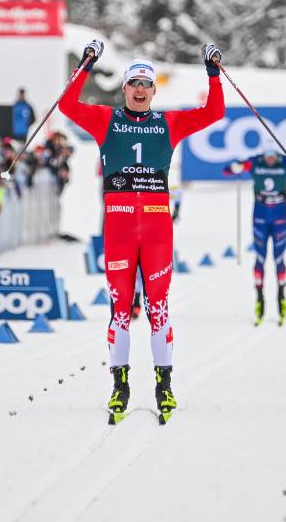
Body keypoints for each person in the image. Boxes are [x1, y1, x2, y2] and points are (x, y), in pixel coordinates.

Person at [58, 39, 225, 423]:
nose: (138, 89)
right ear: (125, 88)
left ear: (153, 90)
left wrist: (212, 72)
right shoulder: (106, 120)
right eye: (133, 83)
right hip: (118, 226)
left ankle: (164, 386)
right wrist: (87, 63)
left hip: (155, 228)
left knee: (159, 309)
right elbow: (67, 106)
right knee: (119, 311)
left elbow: (214, 111)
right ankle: (120, 386)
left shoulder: (169, 123)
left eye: (145, 84)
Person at [223, 146, 286, 326]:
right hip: (260, 218)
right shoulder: (254, 161)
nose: (270, 160)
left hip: (280, 218)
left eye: (273, 156)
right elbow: (227, 171)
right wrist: (235, 168)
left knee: (279, 258)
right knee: (260, 258)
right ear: (263, 155)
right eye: (267, 156)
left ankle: (281, 295)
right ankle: (260, 299)